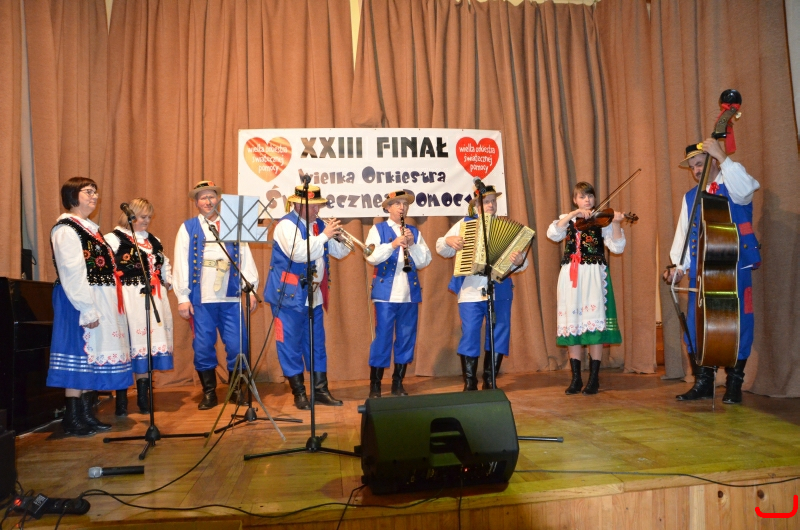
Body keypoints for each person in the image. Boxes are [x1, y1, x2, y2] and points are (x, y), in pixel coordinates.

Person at [663, 139, 760, 404]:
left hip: (735, 265)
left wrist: (723, 156)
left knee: (739, 323)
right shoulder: (690, 197)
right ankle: (703, 382)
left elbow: (748, 189)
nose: (696, 170)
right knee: (697, 324)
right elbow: (684, 235)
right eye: (692, 166)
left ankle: (734, 383)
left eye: (700, 163)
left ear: (713, 161)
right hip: (701, 270)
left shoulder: (734, 183)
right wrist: (678, 267)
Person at [47, 177, 132, 436]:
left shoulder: (90, 229)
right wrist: (87, 307)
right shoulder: (66, 229)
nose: (94, 196)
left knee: (90, 358)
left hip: (94, 298)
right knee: (78, 355)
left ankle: (86, 414)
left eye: (95, 191)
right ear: (73, 196)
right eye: (88, 191)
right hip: (76, 300)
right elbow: (72, 271)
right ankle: (72, 418)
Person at [263, 184, 350, 410]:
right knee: (289, 344)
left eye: (318, 206)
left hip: (313, 295)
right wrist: (324, 236)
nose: (316, 210)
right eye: (312, 206)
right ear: (297, 205)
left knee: (317, 344)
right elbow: (299, 253)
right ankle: (299, 393)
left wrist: (338, 238)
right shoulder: (285, 225)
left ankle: (320, 390)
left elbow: (340, 253)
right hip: (288, 295)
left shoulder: (319, 226)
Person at [173, 181, 259, 410]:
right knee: (203, 346)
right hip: (202, 299)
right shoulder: (188, 228)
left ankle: (235, 390)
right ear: (196, 202)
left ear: (218, 199)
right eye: (203, 198)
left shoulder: (232, 225)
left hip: (231, 298)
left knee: (238, 345)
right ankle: (209, 392)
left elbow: (245, 257)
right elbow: (181, 262)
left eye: (211, 196)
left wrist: (250, 289)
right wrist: (183, 297)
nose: (208, 201)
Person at [436, 184, 526, 391]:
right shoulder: (464, 224)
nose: (491, 205)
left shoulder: (505, 227)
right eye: (486, 202)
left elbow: (522, 263)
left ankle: (490, 380)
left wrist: (519, 260)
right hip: (470, 291)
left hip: (500, 289)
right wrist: (449, 240)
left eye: (493, 201)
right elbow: (441, 247)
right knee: (470, 333)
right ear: (477, 205)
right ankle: (470, 382)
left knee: (499, 332)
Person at [546, 182, 626, 395]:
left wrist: (616, 224)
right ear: (575, 200)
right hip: (571, 276)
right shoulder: (568, 219)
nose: (587, 200)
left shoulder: (602, 221)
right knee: (572, 323)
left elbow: (617, 247)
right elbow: (553, 233)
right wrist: (573, 214)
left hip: (594, 274)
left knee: (593, 325)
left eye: (590, 196)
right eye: (582, 197)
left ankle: (594, 379)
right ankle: (575, 379)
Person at [105, 198, 174, 416]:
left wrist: (167, 280)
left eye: (149, 217)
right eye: (143, 216)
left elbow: (164, 264)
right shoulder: (113, 239)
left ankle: (144, 398)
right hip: (128, 297)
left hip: (153, 297)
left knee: (146, 346)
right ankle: (121, 401)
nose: (147, 221)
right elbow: (106, 269)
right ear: (131, 216)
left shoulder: (154, 240)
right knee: (127, 346)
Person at [364, 190, 432, 398]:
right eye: (397, 204)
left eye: (405, 204)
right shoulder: (378, 229)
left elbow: (425, 261)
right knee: (382, 338)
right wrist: (393, 244)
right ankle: (375, 385)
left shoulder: (414, 232)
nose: (402, 207)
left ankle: (398, 383)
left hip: (409, 295)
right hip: (385, 294)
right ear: (387, 208)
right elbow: (371, 256)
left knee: (406, 339)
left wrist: (412, 245)